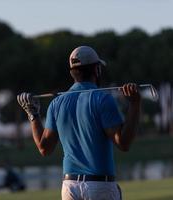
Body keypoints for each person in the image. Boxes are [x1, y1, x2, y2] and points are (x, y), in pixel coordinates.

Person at [17, 46, 141, 200]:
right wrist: (135, 105)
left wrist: (33, 115)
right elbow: (123, 143)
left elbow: (44, 148)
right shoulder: (103, 99)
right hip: (100, 186)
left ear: (72, 73)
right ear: (97, 70)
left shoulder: (57, 103)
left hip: (69, 187)